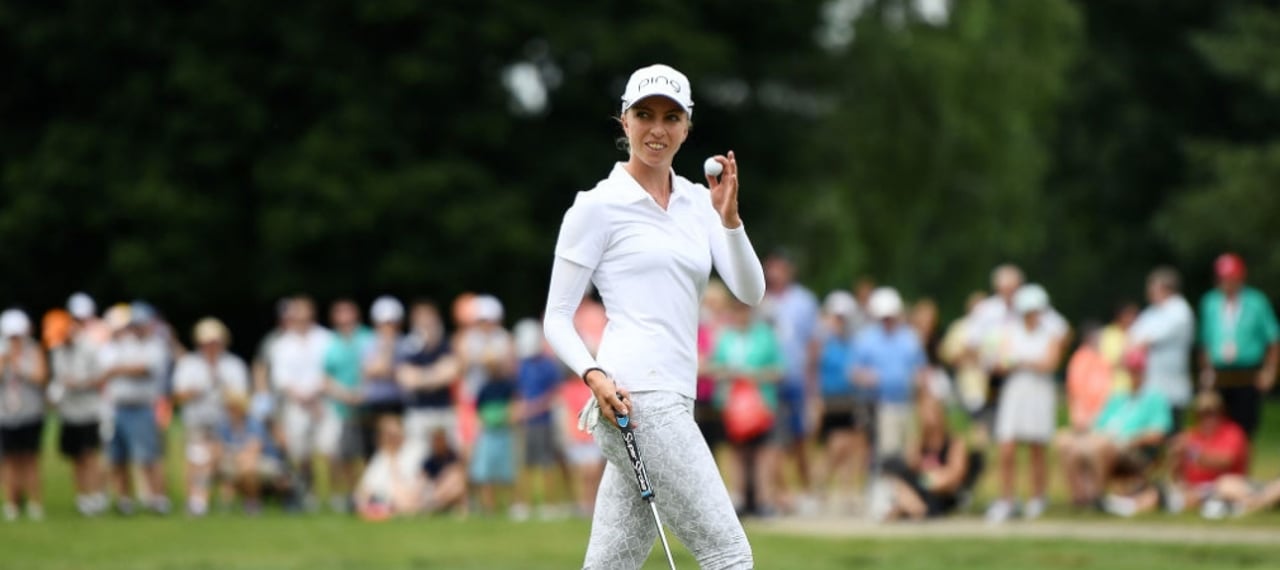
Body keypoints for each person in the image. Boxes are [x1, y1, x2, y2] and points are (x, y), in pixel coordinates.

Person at [542, 63, 764, 569]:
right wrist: (593, 374)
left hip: (672, 398)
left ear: (687, 126)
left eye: (670, 117)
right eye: (644, 114)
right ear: (624, 121)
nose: (656, 129)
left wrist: (730, 220)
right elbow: (556, 316)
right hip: (634, 397)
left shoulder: (697, 201)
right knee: (729, 554)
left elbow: (750, 292)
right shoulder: (596, 207)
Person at [985, 284, 1066, 523]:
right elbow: (1000, 363)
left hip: (1039, 392)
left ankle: (1037, 497)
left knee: (1036, 446)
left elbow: (1050, 363)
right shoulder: (1009, 332)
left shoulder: (1050, 334)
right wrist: (1019, 362)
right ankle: (1007, 499)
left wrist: (1020, 361)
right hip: (1015, 392)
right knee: (1007, 446)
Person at [1100, 391, 1248, 517]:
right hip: (1192, 488)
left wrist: (1193, 454)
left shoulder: (1232, 433)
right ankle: (1125, 504)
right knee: (1159, 489)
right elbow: (1177, 476)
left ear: (1220, 413)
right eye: (1202, 413)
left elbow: (1226, 460)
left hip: (1221, 487)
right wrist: (1176, 459)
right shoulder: (1192, 435)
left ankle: (1128, 506)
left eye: (1211, 413)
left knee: (1205, 492)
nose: (1206, 418)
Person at [1059, 349, 1172, 512]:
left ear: (1144, 371)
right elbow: (1097, 425)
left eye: (1137, 371)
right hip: (1104, 441)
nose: (1133, 375)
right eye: (1131, 371)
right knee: (1066, 441)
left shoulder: (1155, 398)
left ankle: (1097, 498)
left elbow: (1158, 433)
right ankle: (1080, 498)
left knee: (1100, 446)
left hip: (1133, 449)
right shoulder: (1118, 398)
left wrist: (1129, 439)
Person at [710, 298, 783, 517]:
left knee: (762, 453)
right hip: (734, 406)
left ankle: (764, 500)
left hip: (760, 403)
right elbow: (715, 366)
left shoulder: (765, 336)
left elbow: (778, 369)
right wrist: (730, 373)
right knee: (737, 453)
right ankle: (739, 498)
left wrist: (754, 375)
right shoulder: (726, 337)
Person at [171, 318, 249, 516]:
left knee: (226, 460)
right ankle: (197, 501)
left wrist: (224, 390)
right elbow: (178, 396)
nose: (211, 346)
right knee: (196, 460)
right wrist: (196, 391)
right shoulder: (189, 364)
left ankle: (226, 502)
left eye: (215, 342)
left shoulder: (233, 365)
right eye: (207, 342)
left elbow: (241, 399)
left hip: (226, 422)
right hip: (196, 421)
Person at [1198, 253, 1280, 440]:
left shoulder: (1257, 301)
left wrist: (1270, 370)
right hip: (1219, 374)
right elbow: (1204, 341)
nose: (1226, 282)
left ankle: (1241, 467)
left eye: (1230, 277)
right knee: (1217, 424)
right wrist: (1206, 369)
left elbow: (1273, 338)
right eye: (1222, 278)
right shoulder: (1209, 302)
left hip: (1247, 372)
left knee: (1245, 426)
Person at [760, 250, 820, 506]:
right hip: (768, 379)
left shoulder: (804, 301)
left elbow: (813, 344)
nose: (774, 274)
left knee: (799, 438)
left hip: (795, 377)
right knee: (773, 440)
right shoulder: (760, 300)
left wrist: (812, 386)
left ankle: (806, 489)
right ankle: (780, 493)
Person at [98, 303, 170, 515]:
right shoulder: (123, 344)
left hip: (142, 408)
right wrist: (119, 369)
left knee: (148, 457)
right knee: (118, 458)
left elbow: (144, 369)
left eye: (140, 324)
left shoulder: (157, 345)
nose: (136, 328)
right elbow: (107, 368)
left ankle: (158, 499)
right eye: (133, 324)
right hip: (118, 408)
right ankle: (124, 501)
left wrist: (119, 369)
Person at [269, 296, 334, 508]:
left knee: (329, 450)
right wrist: (302, 397)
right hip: (296, 405)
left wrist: (314, 395)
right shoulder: (282, 344)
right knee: (301, 453)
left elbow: (331, 370)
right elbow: (281, 377)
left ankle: (335, 495)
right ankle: (308, 493)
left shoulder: (326, 338)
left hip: (324, 403)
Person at [850, 287, 926, 462]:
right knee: (888, 451)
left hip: (909, 402)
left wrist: (919, 381)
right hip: (881, 404)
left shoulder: (910, 337)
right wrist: (867, 377)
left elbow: (922, 369)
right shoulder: (867, 339)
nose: (887, 321)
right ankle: (888, 484)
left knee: (911, 451)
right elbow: (854, 372)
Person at [814, 290, 872, 514]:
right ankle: (821, 488)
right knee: (835, 447)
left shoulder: (854, 342)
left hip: (851, 400)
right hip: (831, 401)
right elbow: (817, 373)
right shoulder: (823, 342)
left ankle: (847, 493)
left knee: (852, 448)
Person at [50, 295, 109, 516]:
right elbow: (57, 379)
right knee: (76, 457)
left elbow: (102, 378)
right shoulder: (57, 350)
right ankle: (83, 496)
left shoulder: (89, 347)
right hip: (69, 411)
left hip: (89, 410)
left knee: (90, 455)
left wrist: (81, 383)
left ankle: (96, 495)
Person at [1055, 321, 1119, 507]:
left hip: (1103, 421)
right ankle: (1081, 497)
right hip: (1086, 422)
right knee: (1072, 448)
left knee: (1091, 450)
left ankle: (1094, 495)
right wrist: (1082, 420)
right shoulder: (1082, 359)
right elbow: (1076, 393)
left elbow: (1108, 394)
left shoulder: (1102, 360)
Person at [512, 318, 569, 520]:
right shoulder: (521, 364)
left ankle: (550, 505)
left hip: (544, 422)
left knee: (546, 463)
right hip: (527, 423)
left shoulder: (548, 364)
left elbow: (554, 393)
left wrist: (532, 409)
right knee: (524, 464)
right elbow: (519, 391)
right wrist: (520, 409)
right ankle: (523, 505)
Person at [880, 394, 970, 520]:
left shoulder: (954, 442)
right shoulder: (918, 442)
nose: (929, 416)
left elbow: (956, 473)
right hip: (919, 486)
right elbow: (909, 466)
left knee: (922, 487)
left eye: (932, 411)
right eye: (924, 412)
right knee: (891, 466)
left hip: (941, 490)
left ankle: (909, 508)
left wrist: (931, 479)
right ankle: (915, 508)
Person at [321, 299, 373, 512]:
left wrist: (363, 391)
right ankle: (353, 497)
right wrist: (346, 394)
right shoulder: (331, 343)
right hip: (343, 408)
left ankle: (368, 495)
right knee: (347, 456)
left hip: (369, 407)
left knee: (369, 455)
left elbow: (373, 367)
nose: (345, 320)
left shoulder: (369, 338)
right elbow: (326, 377)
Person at [1129, 267, 1195, 431]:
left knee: (1172, 427)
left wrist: (1139, 342)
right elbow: (1132, 337)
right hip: (1151, 382)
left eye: (1153, 287)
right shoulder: (1152, 312)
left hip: (1171, 382)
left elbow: (1146, 339)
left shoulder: (1180, 310)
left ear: (1166, 288)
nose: (1149, 292)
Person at [0, 309, 49, 521]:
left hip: (30, 413)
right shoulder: (1, 352)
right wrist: (5, 360)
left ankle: (35, 503)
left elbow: (41, 377)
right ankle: (12, 502)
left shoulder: (34, 350)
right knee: (9, 461)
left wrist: (20, 368)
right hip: (5, 415)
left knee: (29, 459)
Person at [397, 300, 460, 455]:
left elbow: (450, 373)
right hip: (418, 412)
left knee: (449, 456)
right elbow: (406, 380)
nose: (426, 326)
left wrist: (420, 376)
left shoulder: (446, 346)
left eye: (430, 321)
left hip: (444, 410)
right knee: (417, 456)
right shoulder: (407, 349)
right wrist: (435, 375)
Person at [454, 294, 516, 451]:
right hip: (473, 397)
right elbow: (460, 367)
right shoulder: (466, 338)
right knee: (470, 444)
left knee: (494, 448)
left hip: (495, 401)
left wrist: (492, 364)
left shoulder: (503, 338)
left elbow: (510, 370)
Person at [214, 394, 288, 515]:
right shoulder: (223, 426)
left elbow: (254, 448)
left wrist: (236, 457)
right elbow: (219, 450)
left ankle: (252, 501)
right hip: (236, 462)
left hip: (261, 461)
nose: (229, 410)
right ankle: (246, 502)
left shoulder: (254, 423)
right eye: (228, 407)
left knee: (248, 467)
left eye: (232, 407)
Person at [360, 296, 409, 459]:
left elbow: (401, 373)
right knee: (377, 446)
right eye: (385, 323)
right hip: (376, 403)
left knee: (399, 445)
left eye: (391, 322)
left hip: (399, 402)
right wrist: (387, 352)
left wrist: (385, 369)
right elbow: (371, 371)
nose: (388, 327)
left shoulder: (406, 343)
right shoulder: (368, 343)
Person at [355, 415, 426, 520]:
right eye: (388, 434)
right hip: (384, 499)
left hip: (412, 495)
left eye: (394, 433)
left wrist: (393, 461)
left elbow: (421, 480)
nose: (392, 438)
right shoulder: (381, 456)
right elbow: (365, 487)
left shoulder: (416, 450)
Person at [469, 362, 517, 516]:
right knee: (486, 473)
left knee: (507, 472)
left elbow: (514, 405)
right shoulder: (484, 388)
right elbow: (478, 409)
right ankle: (490, 508)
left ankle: (510, 505)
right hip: (489, 433)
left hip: (504, 432)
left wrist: (507, 416)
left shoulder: (507, 386)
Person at [420, 428, 468, 515]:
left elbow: (460, 473)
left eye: (440, 440)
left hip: (447, 492)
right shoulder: (429, 460)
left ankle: (436, 504)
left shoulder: (452, 456)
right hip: (436, 490)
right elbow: (422, 479)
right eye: (436, 440)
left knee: (457, 481)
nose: (438, 443)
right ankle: (437, 504)